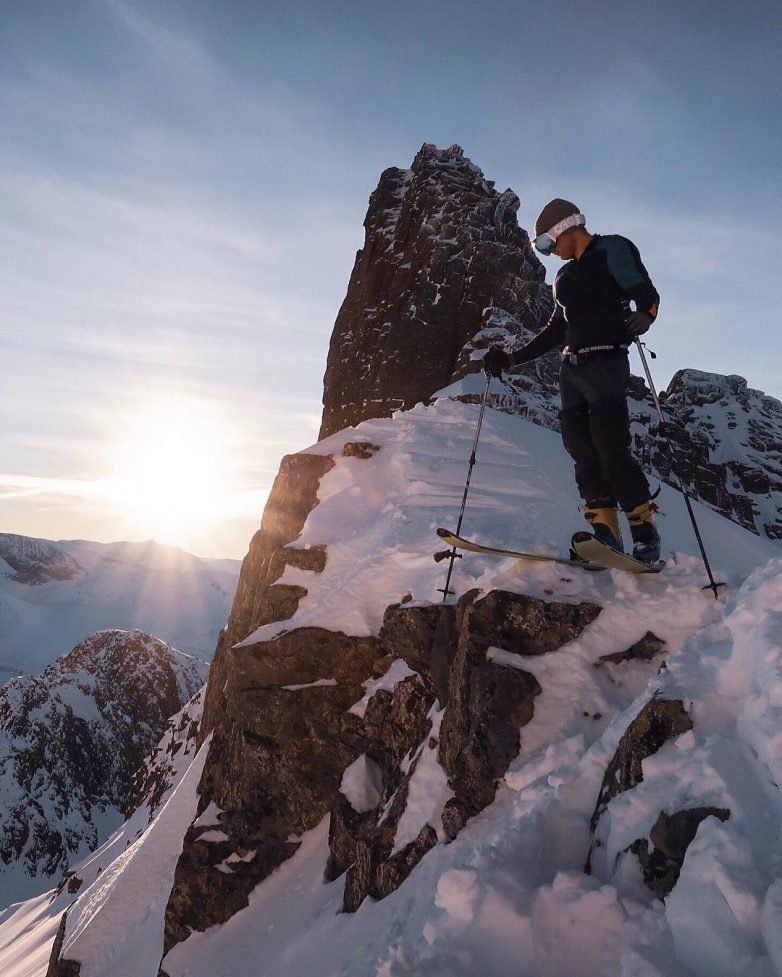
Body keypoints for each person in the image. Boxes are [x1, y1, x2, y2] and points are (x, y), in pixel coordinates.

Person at [483, 198, 661, 563]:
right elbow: (556, 330)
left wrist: (646, 314)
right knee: (582, 452)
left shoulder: (612, 248)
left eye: (546, 244)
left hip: (606, 362)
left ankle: (645, 535)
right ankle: (605, 536)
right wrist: (512, 359)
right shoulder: (563, 278)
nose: (549, 254)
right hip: (572, 371)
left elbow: (646, 292)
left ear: (565, 227)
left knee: (611, 448)